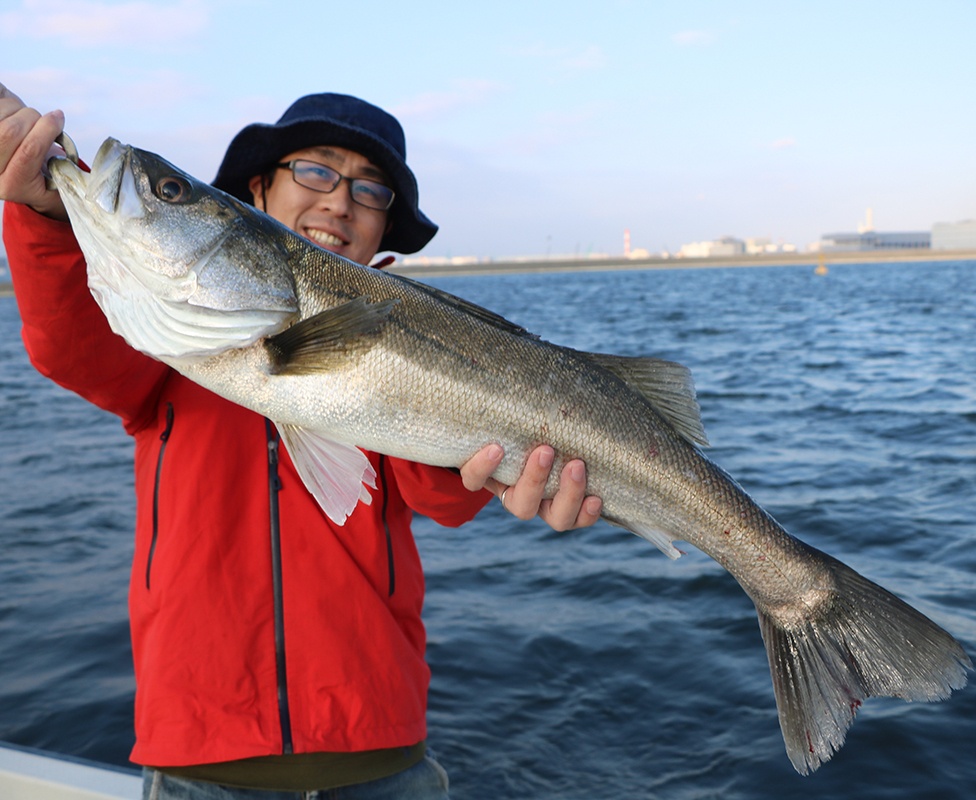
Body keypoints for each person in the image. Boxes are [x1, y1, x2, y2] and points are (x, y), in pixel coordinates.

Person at [0, 84, 603, 799]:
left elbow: (434, 491)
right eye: (315, 171)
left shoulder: (404, 332)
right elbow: (74, 348)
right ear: (258, 188)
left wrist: (505, 471)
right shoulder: (161, 350)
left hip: (380, 754)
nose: (340, 201)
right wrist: (43, 212)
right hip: (198, 752)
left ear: (385, 228)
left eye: (371, 190)